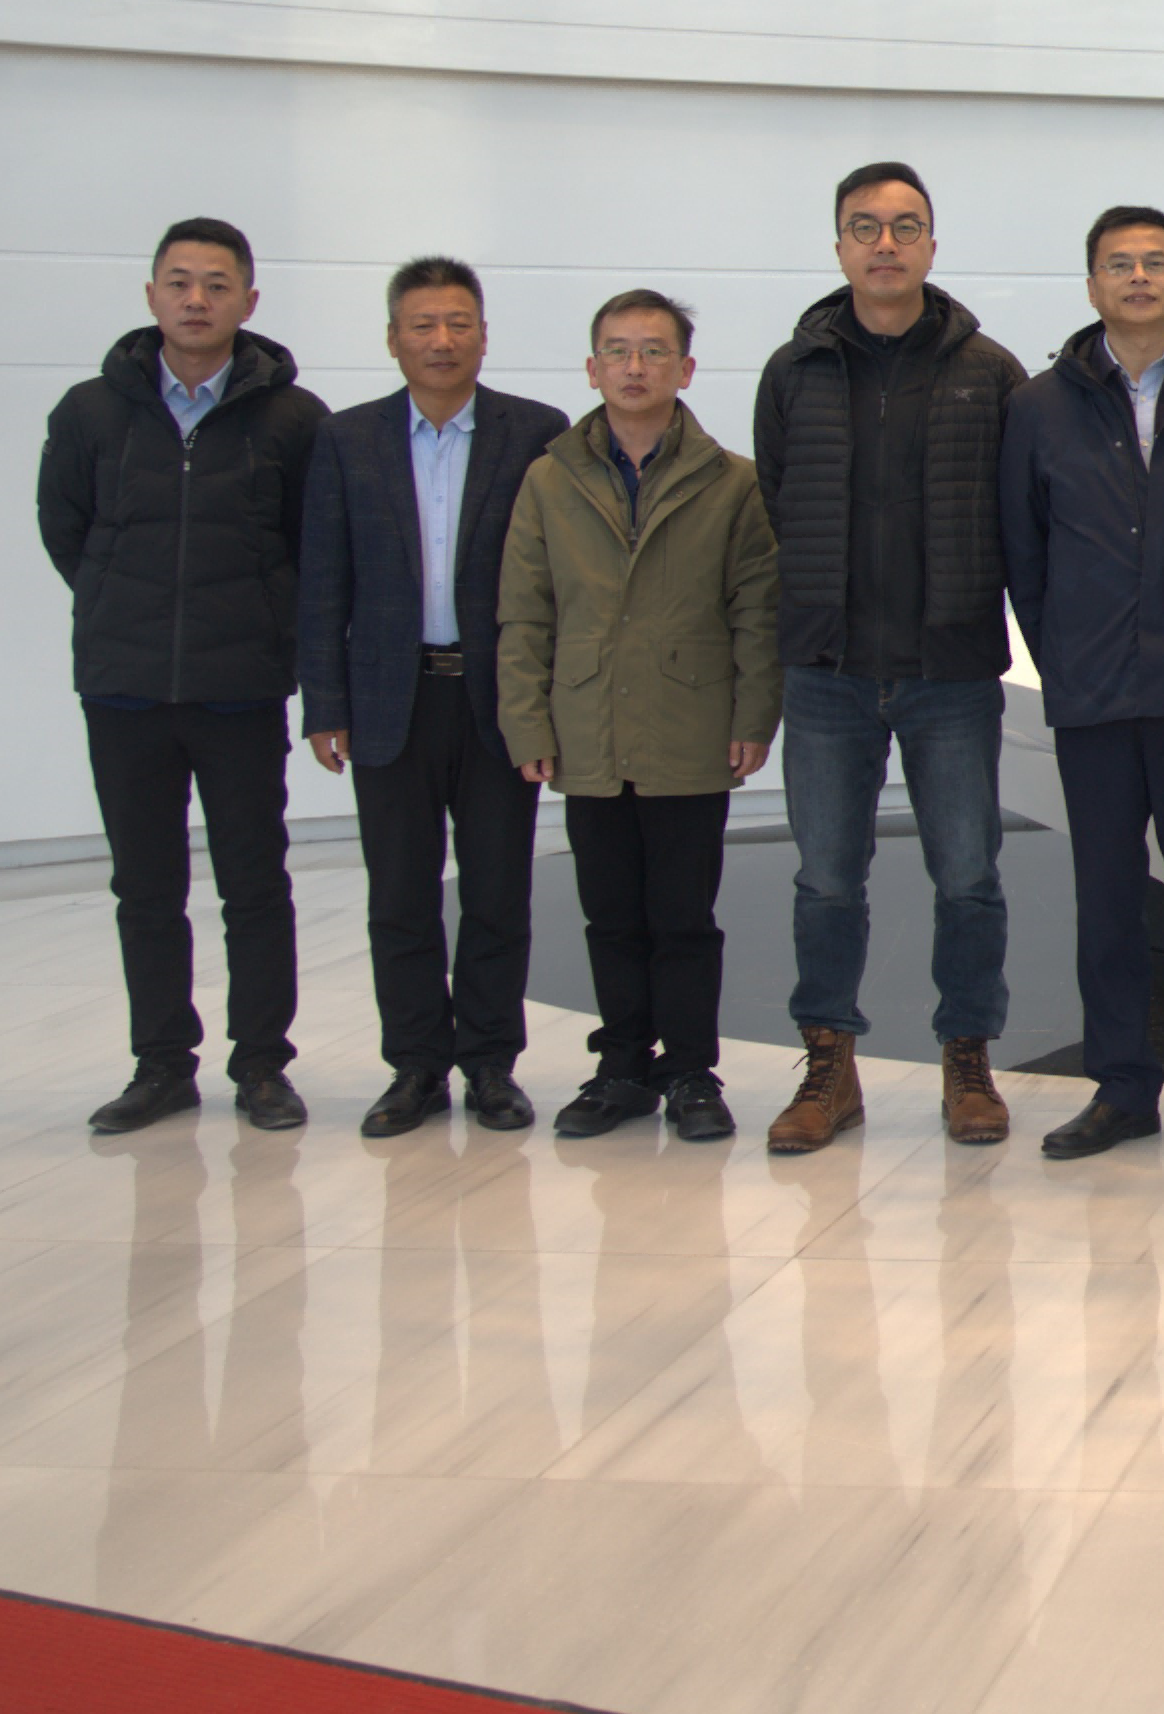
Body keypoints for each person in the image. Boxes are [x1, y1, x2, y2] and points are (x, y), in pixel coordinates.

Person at [754, 162, 1031, 1156]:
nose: (885, 244)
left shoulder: (987, 371)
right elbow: (778, 499)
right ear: (839, 246)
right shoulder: (794, 370)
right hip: (827, 671)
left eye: (904, 226)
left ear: (931, 245)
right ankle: (829, 1066)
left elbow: (1017, 515)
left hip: (948, 670)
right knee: (827, 880)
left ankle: (968, 1060)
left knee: (968, 877)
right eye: (865, 227)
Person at [39, 218, 332, 1138]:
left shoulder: (294, 418)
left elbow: (311, 548)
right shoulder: (90, 411)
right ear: (152, 295)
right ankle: (162, 1064)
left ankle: (262, 1066)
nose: (196, 300)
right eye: (179, 282)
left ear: (249, 300)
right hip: (124, 687)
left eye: (216, 284)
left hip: (239, 686)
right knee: (145, 889)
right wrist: (119, 602)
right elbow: (66, 530)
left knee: (255, 885)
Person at [999, 207, 1164, 1165]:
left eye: (1157, 262)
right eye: (1119, 264)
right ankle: (1120, 1088)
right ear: (1092, 288)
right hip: (1097, 695)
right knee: (1107, 902)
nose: (1140, 277)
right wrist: (1067, 658)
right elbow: (1025, 554)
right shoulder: (1040, 406)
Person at [496, 291, 783, 1144]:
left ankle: (691, 1071)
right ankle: (620, 1066)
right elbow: (525, 612)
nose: (634, 367)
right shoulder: (550, 479)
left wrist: (755, 715)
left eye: (654, 351)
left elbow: (756, 610)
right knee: (611, 917)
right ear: (592, 369)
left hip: (690, 726)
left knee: (684, 919)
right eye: (617, 351)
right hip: (586, 726)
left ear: (684, 370)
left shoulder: (732, 482)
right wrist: (527, 725)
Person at [299, 256, 569, 1137]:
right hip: (390, 700)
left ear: (485, 337)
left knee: (497, 893)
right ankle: (415, 1066)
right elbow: (322, 581)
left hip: (499, 702)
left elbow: (560, 579)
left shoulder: (536, 433)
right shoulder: (347, 440)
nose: (442, 340)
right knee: (400, 897)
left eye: (459, 324)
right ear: (393, 339)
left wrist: (550, 702)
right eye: (423, 325)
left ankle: (490, 1064)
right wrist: (324, 704)